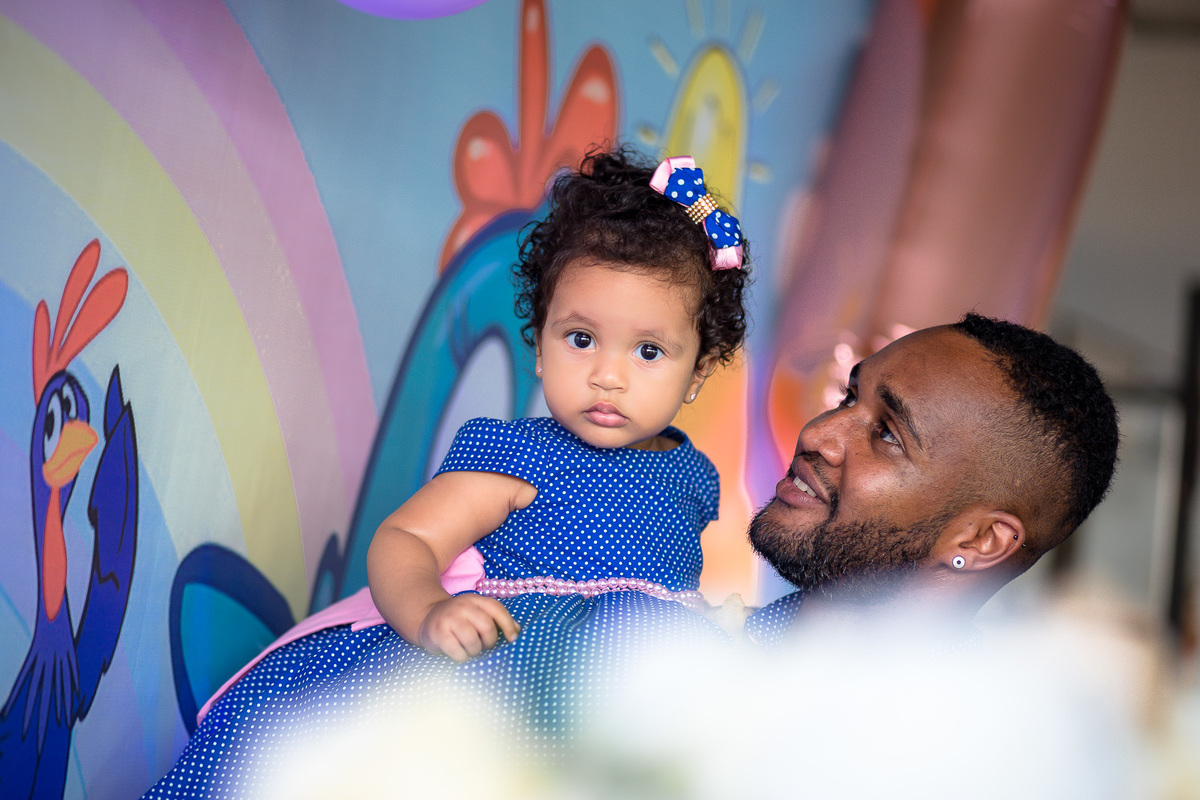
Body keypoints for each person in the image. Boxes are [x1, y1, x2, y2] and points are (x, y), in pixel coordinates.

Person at [142, 146, 750, 798]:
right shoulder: (518, 454)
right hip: (503, 674)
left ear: (699, 372)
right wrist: (429, 610)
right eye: (580, 339)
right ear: (539, 344)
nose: (608, 375)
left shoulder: (694, 475)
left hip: (626, 699)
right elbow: (408, 539)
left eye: (649, 351)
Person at [744, 312, 1120, 645]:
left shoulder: (973, 711)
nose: (815, 435)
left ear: (980, 540)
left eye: (888, 434)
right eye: (849, 397)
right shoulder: (716, 655)